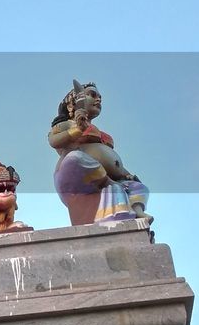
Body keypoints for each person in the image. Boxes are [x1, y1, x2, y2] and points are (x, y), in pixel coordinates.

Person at [48, 81, 149, 226]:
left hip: (104, 177)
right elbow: (54, 141)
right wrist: (77, 129)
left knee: (138, 187)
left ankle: (138, 211)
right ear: (71, 104)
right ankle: (110, 183)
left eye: (100, 97)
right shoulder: (67, 124)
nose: (98, 99)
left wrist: (127, 175)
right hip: (76, 173)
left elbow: (112, 161)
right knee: (74, 158)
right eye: (92, 95)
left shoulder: (99, 132)